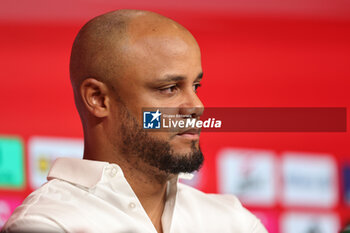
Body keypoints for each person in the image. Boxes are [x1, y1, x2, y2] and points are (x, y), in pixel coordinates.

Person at [2, 9, 268, 233]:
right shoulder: (48, 223)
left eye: (195, 86)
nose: (197, 106)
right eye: (169, 88)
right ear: (98, 99)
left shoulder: (234, 222)